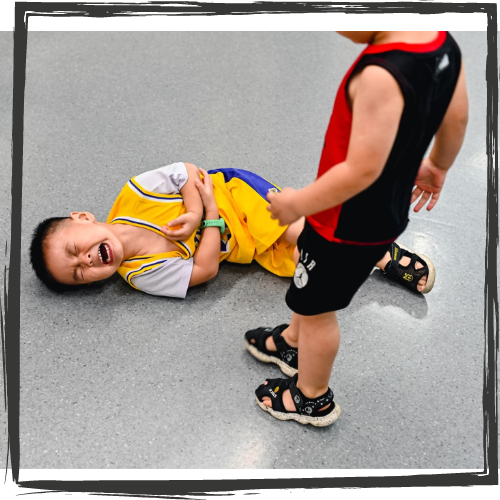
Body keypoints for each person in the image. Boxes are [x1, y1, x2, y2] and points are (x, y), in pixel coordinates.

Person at [245, 31, 468, 427]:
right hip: (386, 211)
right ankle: (294, 344)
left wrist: (296, 204)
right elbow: (456, 115)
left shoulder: (380, 75)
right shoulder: (441, 43)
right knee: (309, 283)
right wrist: (438, 165)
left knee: (319, 312)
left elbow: (361, 170)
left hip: (343, 223)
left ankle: (311, 396)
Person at [30, 163, 433, 297]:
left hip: (236, 194)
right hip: (242, 247)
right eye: (79, 273)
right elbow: (204, 271)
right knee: (305, 266)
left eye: (73, 250)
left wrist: (196, 205)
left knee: (300, 235)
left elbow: (188, 172)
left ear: (83, 218)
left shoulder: (135, 193)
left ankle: (383, 252)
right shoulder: (140, 275)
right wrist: (205, 214)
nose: (85, 261)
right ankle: (366, 251)